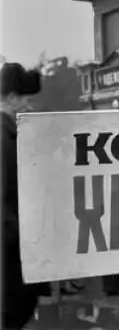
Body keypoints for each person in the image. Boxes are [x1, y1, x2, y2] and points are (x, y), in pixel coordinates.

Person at [1, 63, 50, 329]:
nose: (29, 107)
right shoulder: (4, 139)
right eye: (26, 100)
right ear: (11, 98)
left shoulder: (13, 135)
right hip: (11, 269)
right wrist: (32, 234)